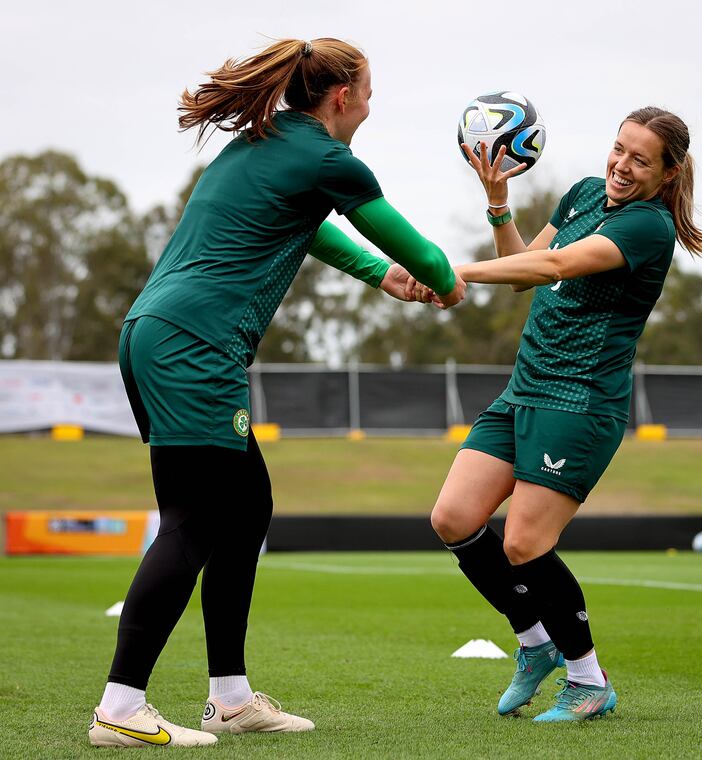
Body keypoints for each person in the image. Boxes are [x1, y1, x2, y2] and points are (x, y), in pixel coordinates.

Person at [88, 37, 466, 749]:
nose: (371, 104)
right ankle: (120, 706)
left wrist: (378, 276)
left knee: (246, 506)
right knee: (193, 521)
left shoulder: (269, 143)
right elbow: (415, 247)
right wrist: (443, 279)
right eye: (370, 92)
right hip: (193, 344)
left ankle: (230, 698)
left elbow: (314, 228)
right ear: (343, 97)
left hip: (157, 331)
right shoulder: (329, 158)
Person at [426, 107, 702, 722]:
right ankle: (534, 645)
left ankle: (588, 681)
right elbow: (521, 272)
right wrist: (498, 204)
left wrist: (449, 271)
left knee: (525, 543)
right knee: (453, 518)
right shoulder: (585, 192)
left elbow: (556, 265)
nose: (621, 165)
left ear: (667, 175)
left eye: (641, 160)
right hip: (523, 390)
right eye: (619, 149)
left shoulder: (648, 227)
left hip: (580, 402)